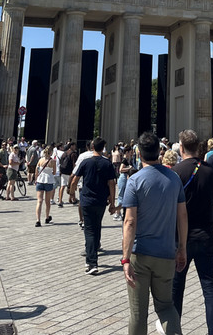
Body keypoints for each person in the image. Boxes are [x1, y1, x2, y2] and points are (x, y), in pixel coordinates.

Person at [121, 131, 187, 335]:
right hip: (166, 253)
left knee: (138, 313)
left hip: (140, 255)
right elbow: (182, 216)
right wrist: (181, 249)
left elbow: (130, 222)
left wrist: (125, 259)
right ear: (159, 151)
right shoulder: (174, 179)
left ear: (138, 153)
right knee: (166, 306)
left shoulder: (134, 181)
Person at [172, 130, 213, 335]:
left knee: (176, 289)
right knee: (209, 288)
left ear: (181, 148)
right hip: (205, 235)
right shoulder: (209, 171)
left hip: (180, 238)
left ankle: (174, 330)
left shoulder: (175, 172)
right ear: (198, 147)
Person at [69, 137, 117, 275]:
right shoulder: (107, 164)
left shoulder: (85, 162)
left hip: (86, 200)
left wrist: (72, 194)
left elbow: (74, 180)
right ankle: (93, 254)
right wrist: (112, 203)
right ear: (103, 147)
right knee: (96, 227)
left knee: (89, 230)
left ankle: (91, 262)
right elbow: (112, 184)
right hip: (101, 201)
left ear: (91, 147)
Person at [34, 146, 56, 226]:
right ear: (51, 152)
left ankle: (38, 220)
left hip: (40, 180)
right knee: (47, 201)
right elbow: (54, 172)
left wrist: (36, 179)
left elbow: (36, 170)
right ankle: (47, 217)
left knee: (39, 201)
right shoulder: (53, 161)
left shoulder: (40, 160)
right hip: (49, 181)